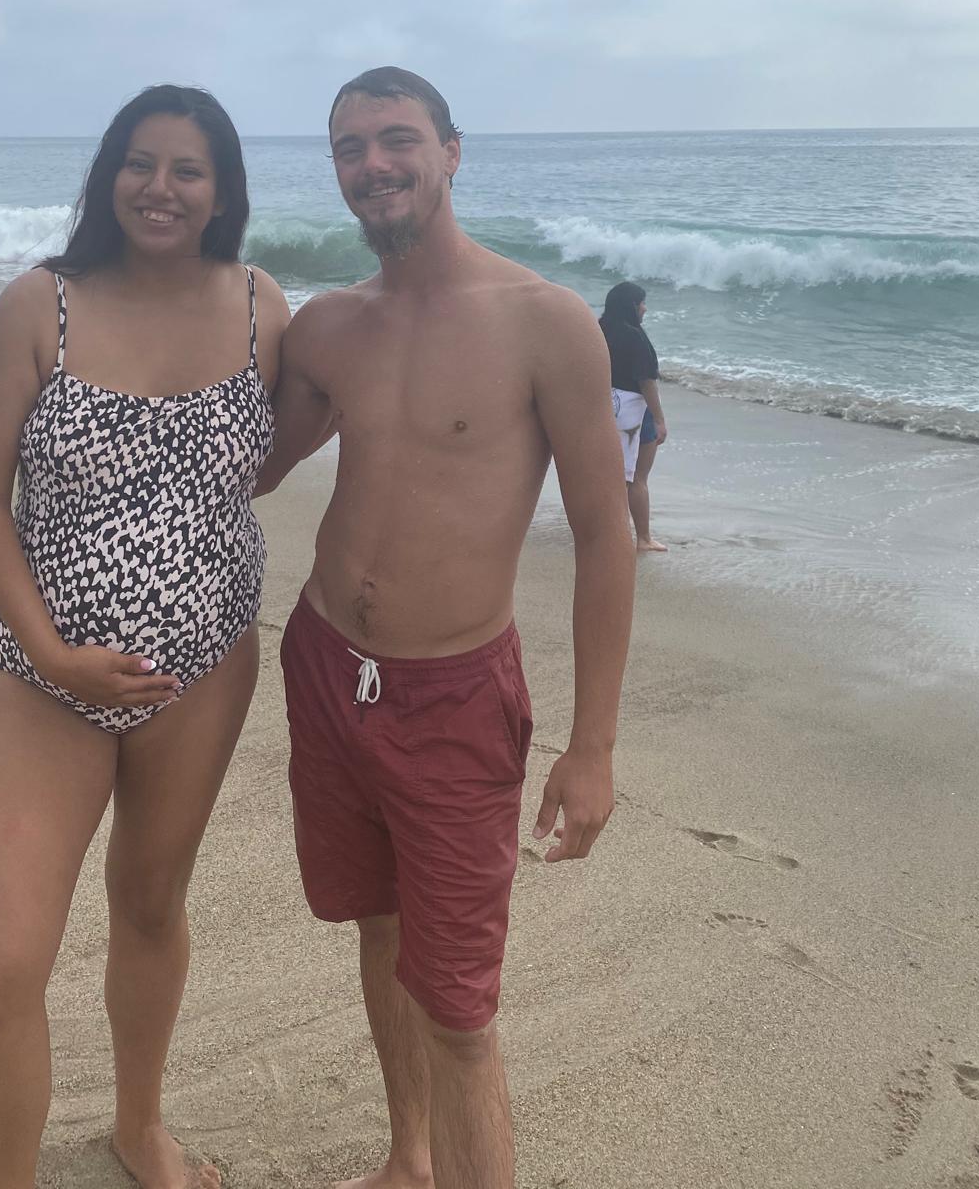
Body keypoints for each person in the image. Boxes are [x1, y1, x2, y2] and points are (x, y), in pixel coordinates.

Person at [256, 67, 635, 1189]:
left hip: (453, 699)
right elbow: (254, 468)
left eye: (395, 139)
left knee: (461, 1010)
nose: (371, 165)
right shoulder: (330, 327)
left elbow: (607, 536)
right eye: (348, 148)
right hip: (326, 667)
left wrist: (595, 745)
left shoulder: (547, 326)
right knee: (377, 929)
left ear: (452, 151)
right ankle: (406, 1158)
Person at [0, 85, 289, 1189]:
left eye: (188, 169)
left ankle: (140, 1126)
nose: (161, 187)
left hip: (205, 664)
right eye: (139, 163)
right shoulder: (37, 305)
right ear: (107, 175)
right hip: (43, 675)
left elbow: (275, 451)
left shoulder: (259, 308)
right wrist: (48, 648)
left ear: (223, 192)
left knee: (149, 901)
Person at [600, 281, 668, 554]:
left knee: (608, 476)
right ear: (631, 306)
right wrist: (660, 419)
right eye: (641, 302)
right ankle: (643, 537)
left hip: (604, 407)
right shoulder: (635, 337)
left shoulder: (598, 328)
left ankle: (605, 531)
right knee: (637, 478)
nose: (645, 308)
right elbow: (647, 381)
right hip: (634, 411)